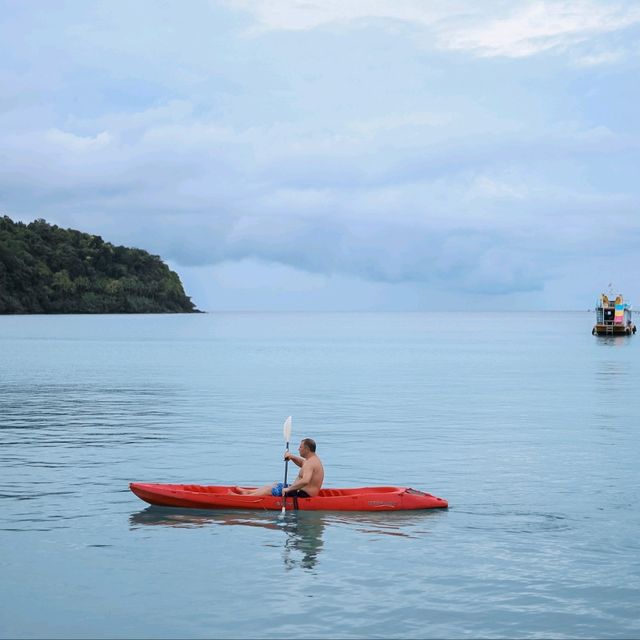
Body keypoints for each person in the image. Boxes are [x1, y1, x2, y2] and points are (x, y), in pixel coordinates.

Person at [235, 438, 324, 498]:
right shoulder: (311, 460)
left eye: (300, 447)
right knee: (275, 485)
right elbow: (302, 463)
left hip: (304, 495)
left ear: (307, 449)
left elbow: (305, 481)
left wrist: (288, 489)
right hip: (298, 490)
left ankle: (245, 498)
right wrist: (291, 457)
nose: (298, 449)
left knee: (272, 490)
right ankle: (247, 492)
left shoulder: (311, 463)